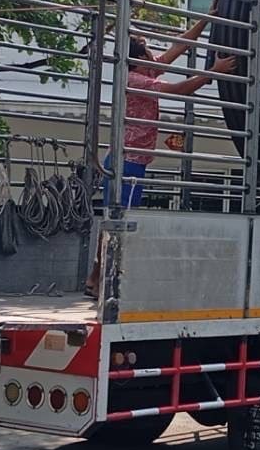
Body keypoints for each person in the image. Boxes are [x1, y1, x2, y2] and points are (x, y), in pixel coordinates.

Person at [85, 18, 240, 297]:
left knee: (115, 219)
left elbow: (176, 48)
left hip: (133, 160)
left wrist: (205, 19)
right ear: (139, 59)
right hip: (127, 161)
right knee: (119, 222)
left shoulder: (142, 70)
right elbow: (179, 90)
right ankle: (104, 282)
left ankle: (96, 279)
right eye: (148, 54)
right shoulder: (135, 80)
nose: (153, 57)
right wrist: (213, 72)